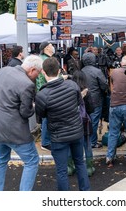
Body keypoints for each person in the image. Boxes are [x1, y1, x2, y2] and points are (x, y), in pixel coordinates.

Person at [0, 55, 43, 191]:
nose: (37, 77)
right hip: (14, 131)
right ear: (32, 70)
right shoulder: (27, 84)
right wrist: (33, 105)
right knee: (32, 161)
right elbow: (25, 113)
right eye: (38, 74)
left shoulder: (2, 71)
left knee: (1, 159)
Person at [35, 57, 90, 191]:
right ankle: (86, 191)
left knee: (61, 170)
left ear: (43, 72)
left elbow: (40, 118)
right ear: (60, 70)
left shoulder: (42, 94)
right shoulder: (72, 85)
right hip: (77, 132)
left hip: (58, 136)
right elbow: (78, 104)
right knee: (80, 163)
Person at [81, 52, 109, 148]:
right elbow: (104, 85)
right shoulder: (97, 71)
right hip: (95, 100)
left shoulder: (80, 71)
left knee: (85, 120)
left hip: (83, 99)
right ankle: (92, 142)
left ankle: (86, 140)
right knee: (94, 122)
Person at [71, 70, 95, 176]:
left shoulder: (68, 90)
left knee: (71, 145)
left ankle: (70, 167)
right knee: (87, 144)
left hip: (71, 122)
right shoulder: (87, 92)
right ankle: (89, 167)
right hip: (84, 121)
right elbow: (91, 108)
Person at [36, 41, 55, 151]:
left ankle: (46, 140)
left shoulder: (42, 59)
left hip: (44, 91)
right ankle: (46, 142)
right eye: (51, 45)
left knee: (47, 117)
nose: (53, 47)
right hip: (48, 91)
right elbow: (47, 77)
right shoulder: (45, 60)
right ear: (47, 48)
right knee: (47, 118)